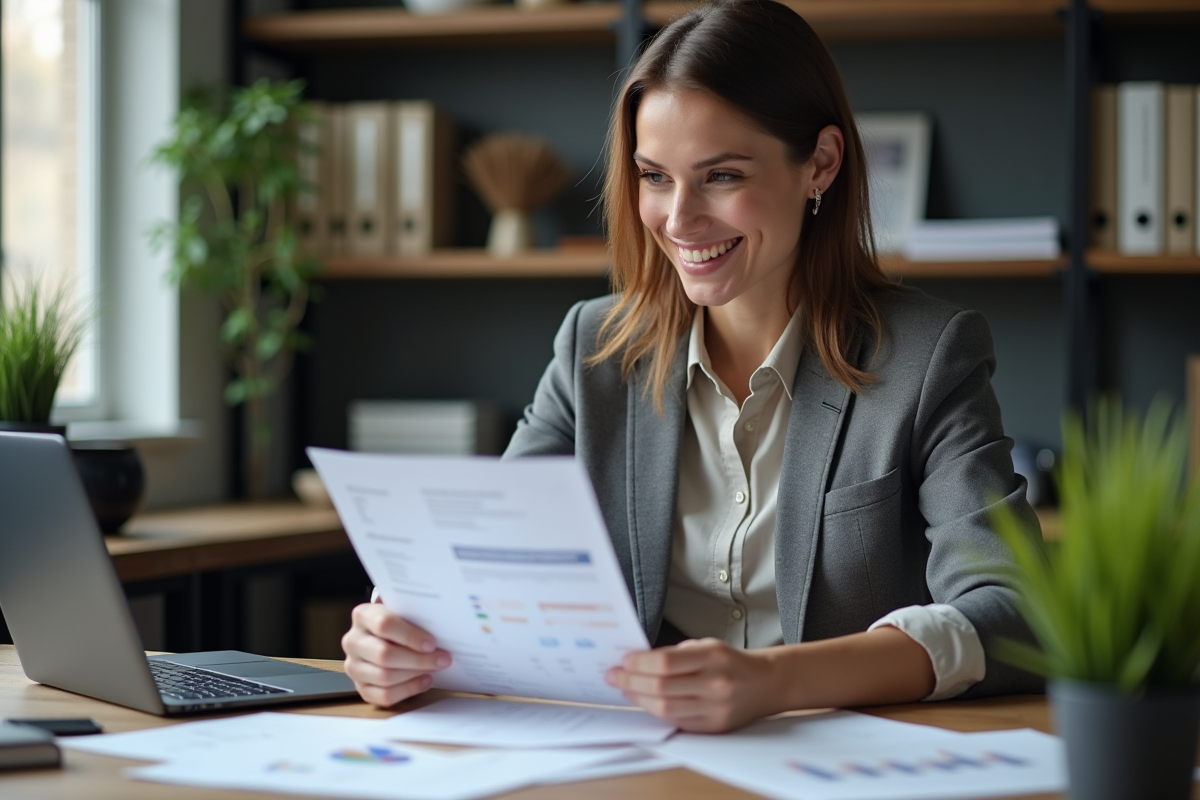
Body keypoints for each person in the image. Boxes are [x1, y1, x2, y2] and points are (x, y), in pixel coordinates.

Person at [340, 0, 1042, 733]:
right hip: (635, 764)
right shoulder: (595, 349)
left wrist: (774, 682)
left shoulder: (929, 356)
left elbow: (1014, 615)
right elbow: (483, 568)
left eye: (721, 177)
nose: (678, 220)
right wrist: (395, 638)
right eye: (654, 177)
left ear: (820, 165)